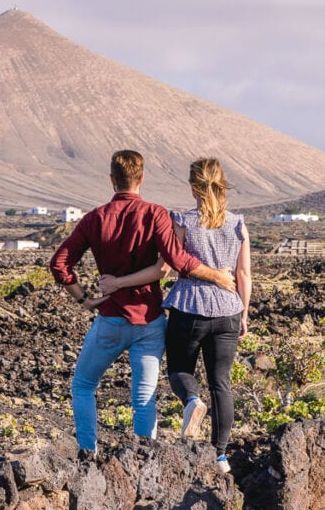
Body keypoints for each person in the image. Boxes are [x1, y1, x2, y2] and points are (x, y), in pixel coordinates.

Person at [49, 150, 236, 459]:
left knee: (83, 385)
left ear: (112, 180)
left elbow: (60, 264)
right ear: (142, 178)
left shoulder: (95, 218)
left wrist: (84, 299)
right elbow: (177, 261)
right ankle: (142, 463)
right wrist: (216, 276)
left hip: (110, 319)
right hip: (149, 321)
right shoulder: (155, 214)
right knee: (144, 398)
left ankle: (87, 454)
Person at [100, 157, 252, 475]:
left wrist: (119, 283)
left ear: (192, 186)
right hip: (228, 310)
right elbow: (244, 274)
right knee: (221, 383)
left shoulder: (182, 221)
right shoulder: (237, 223)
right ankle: (221, 456)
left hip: (189, 308)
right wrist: (244, 313)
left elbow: (165, 267)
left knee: (179, 371)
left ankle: (191, 400)